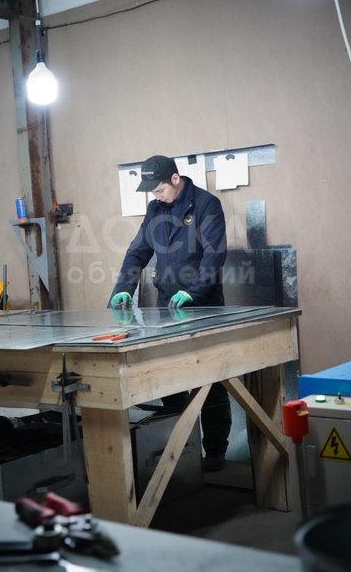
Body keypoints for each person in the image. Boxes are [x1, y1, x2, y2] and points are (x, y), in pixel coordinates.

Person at [111, 155, 231, 471]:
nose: (156, 196)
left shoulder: (207, 205)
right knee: (169, 379)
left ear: (175, 179)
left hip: (204, 307)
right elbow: (137, 252)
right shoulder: (155, 210)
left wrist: (194, 292)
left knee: (211, 382)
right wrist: (124, 287)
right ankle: (182, 450)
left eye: (160, 189)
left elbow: (214, 255)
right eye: (152, 191)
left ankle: (215, 452)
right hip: (166, 309)